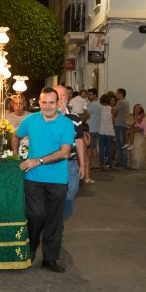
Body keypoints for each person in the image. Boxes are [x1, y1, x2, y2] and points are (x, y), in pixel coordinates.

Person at [12, 87, 74, 273]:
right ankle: (30, 249)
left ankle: (50, 258)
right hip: (33, 178)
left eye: (51, 102)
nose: (47, 106)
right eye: (44, 102)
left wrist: (37, 161)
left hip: (57, 179)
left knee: (54, 220)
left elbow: (64, 153)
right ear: (38, 103)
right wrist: (16, 155)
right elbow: (15, 135)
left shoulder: (66, 124)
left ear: (58, 103)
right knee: (35, 215)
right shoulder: (30, 120)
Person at [55, 86, 85, 220]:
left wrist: (82, 165)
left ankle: (59, 217)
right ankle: (56, 224)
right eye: (57, 95)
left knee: (71, 193)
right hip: (53, 163)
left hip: (71, 163)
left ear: (67, 98)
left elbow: (79, 141)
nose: (60, 99)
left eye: (62, 95)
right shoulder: (49, 117)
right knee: (54, 195)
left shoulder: (75, 118)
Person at [84, 88, 101, 171]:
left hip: (91, 128)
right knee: (92, 147)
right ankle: (92, 164)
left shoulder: (93, 105)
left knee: (91, 148)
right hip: (95, 128)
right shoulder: (98, 104)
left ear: (95, 95)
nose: (89, 96)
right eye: (88, 94)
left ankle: (95, 165)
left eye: (90, 95)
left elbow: (85, 115)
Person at [112, 88, 130, 168]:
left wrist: (114, 111)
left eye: (117, 93)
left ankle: (122, 162)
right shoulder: (125, 102)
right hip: (122, 124)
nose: (116, 94)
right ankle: (122, 161)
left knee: (121, 144)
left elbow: (114, 112)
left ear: (120, 94)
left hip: (120, 125)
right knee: (121, 144)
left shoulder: (121, 102)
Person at [98, 94, 115, 170]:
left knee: (101, 148)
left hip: (101, 129)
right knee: (109, 147)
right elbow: (113, 120)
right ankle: (110, 164)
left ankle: (101, 164)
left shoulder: (99, 108)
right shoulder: (112, 109)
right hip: (110, 129)